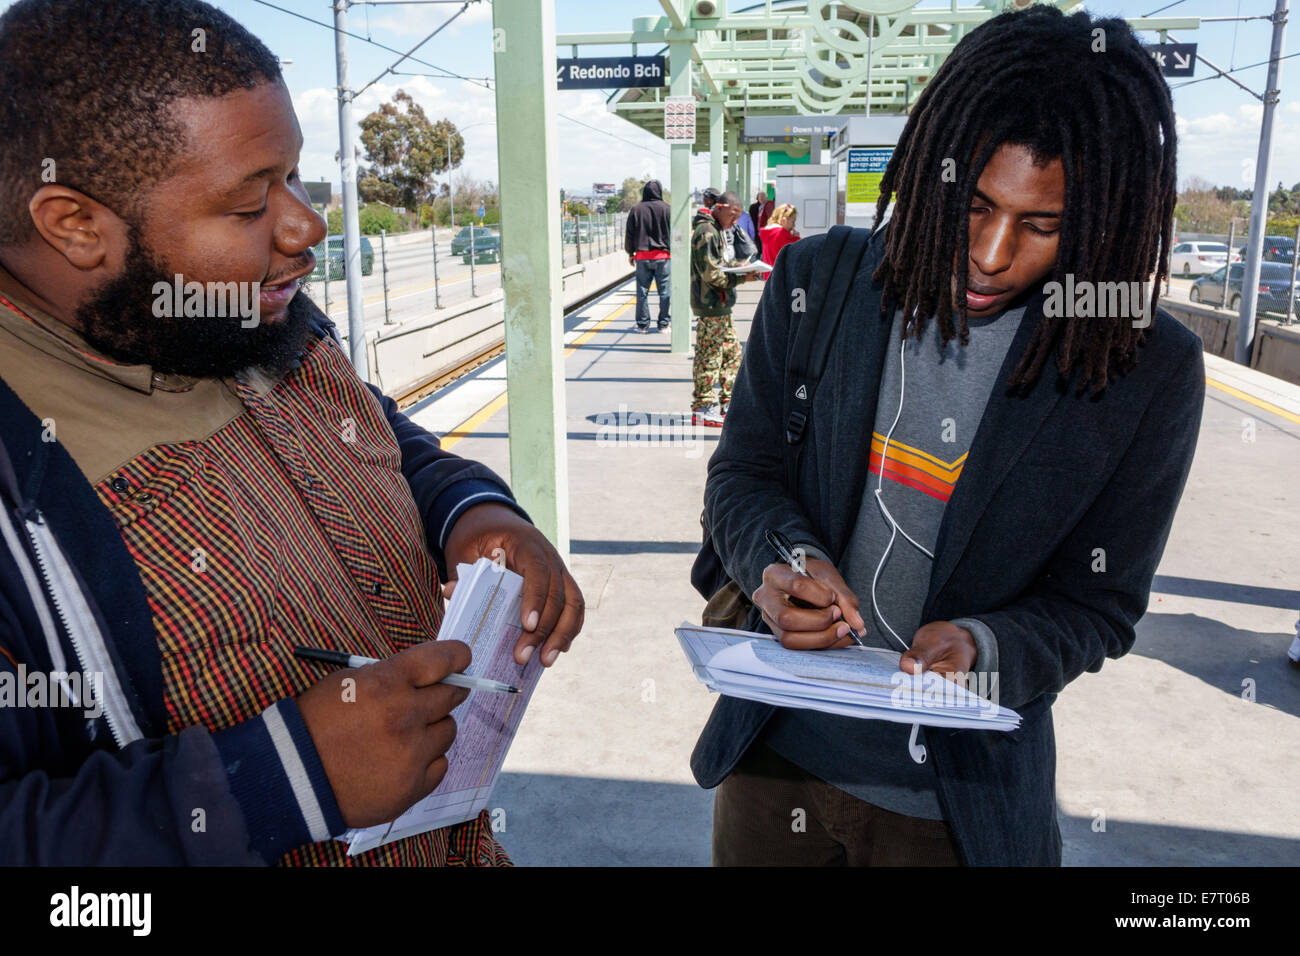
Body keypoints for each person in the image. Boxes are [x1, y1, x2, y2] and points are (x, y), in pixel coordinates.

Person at [0, 0, 584, 866]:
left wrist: (474, 514)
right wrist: (278, 778)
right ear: (76, 226)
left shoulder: (249, 315)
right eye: (247, 205)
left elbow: (380, 437)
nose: (308, 228)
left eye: (294, 176)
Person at [692, 4, 1203, 866]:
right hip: (773, 775)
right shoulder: (820, 284)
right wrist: (780, 568)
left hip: (957, 816)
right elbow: (742, 477)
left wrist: (990, 647)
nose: (995, 253)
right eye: (973, 206)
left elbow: (1100, 604)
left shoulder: (1144, 370)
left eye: (1044, 226)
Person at [690, 190, 758, 428]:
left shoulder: (716, 230)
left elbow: (719, 265)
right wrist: (742, 278)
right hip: (711, 304)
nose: (735, 221)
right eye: (733, 214)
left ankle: (729, 403)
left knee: (731, 355)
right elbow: (711, 274)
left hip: (720, 305)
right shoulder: (707, 232)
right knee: (709, 357)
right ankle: (703, 407)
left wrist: (739, 266)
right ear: (719, 208)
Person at [624, 179, 672, 333]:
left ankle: (642, 325)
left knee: (642, 291)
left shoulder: (636, 210)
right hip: (663, 256)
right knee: (664, 292)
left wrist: (630, 253)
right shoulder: (667, 209)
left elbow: (630, 234)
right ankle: (663, 325)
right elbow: (675, 233)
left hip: (642, 257)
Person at [758, 203, 800, 271]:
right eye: (793, 222)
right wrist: (796, 238)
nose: (794, 225)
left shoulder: (767, 232)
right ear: (784, 221)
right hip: (781, 275)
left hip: (768, 274)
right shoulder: (782, 234)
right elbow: (795, 252)